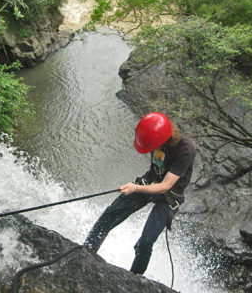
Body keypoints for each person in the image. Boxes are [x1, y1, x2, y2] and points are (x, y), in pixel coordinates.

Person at [84, 112, 196, 274]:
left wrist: (135, 188)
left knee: (145, 242)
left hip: (170, 196)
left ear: (164, 139)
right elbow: (156, 167)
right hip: (150, 182)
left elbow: (165, 186)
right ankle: (85, 253)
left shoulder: (186, 150)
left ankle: (134, 278)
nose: (152, 150)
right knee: (109, 215)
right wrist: (139, 187)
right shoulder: (154, 138)